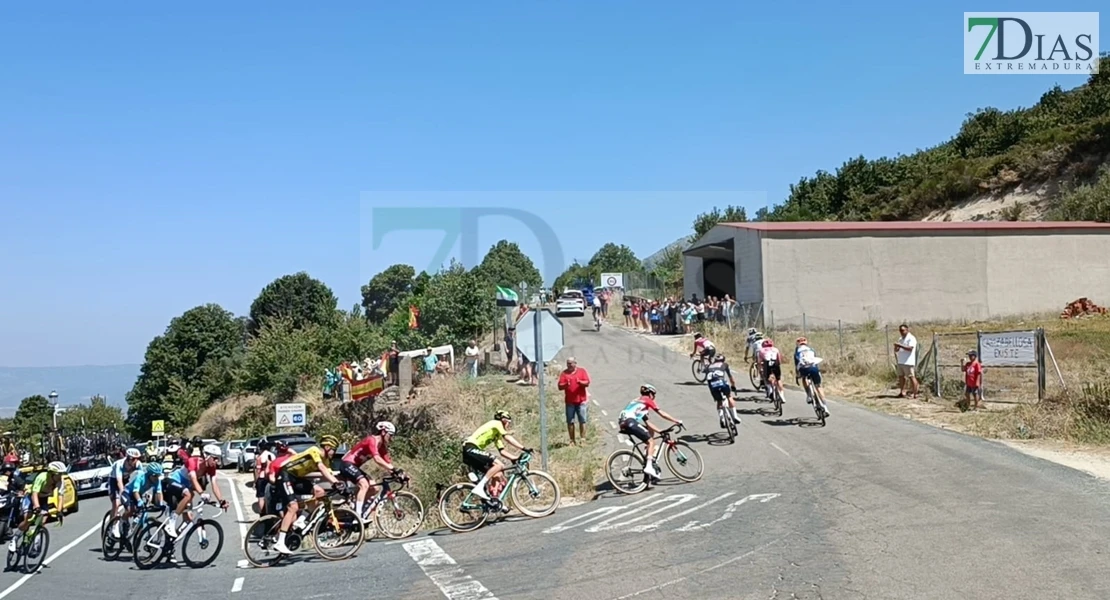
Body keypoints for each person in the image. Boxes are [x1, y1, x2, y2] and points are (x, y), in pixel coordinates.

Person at [271, 435, 343, 555]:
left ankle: (301, 520)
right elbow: (321, 468)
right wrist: (335, 483)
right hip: (285, 475)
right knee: (293, 507)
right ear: (327, 447)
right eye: (333, 450)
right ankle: (280, 542)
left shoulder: (325, 460)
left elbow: (330, 473)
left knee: (320, 492)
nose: (334, 453)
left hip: (296, 478)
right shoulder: (314, 451)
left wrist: (341, 484)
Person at [339, 422, 404, 522]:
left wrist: (399, 474)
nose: (392, 438)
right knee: (364, 484)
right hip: (346, 464)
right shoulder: (372, 440)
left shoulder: (382, 447)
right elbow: (377, 459)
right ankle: (358, 516)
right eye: (390, 435)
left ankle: (357, 508)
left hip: (353, 466)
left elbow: (388, 464)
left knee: (374, 487)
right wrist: (393, 470)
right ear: (383, 432)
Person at [617, 385, 683, 479]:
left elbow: (648, 423)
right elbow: (661, 413)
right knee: (651, 441)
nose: (654, 397)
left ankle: (647, 454)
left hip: (624, 422)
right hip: (630, 421)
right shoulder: (647, 400)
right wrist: (676, 421)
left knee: (650, 433)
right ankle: (649, 467)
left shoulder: (638, 402)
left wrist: (660, 431)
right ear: (650, 394)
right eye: (654, 395)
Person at [462, 411, 530, 501]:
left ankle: (494, 500)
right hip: (470, 447)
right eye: (508, 422)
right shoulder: (496, 423)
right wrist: (524, 448)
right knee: (499, 465)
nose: (508, 425)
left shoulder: (496, 434)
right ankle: (480, 487)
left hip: (473, 451)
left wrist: (515, 458)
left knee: (498, 473)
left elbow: (502, 451)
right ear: (504, 420)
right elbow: (507, 437)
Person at [165, 444, 228, 538]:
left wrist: (221, 501)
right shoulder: (193, 461)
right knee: (189, 494)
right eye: (215, 458)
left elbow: (214, 484)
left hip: (184, 486)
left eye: (218, 459)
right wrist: (202, 493)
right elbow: (193, 479)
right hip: (173, 481)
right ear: (207, 456)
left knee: (188, 520)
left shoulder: (211, 468)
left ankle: (171, 542)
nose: (217, 461)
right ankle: (172, 521)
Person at [11, 461, 66, 552]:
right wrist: (37, 507)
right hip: (31, 496)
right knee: (27, 518)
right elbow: (34, 494)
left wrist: (59, 511)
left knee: (42, 521)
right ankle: (15, 538)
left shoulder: (60, 481)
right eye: (59, 474)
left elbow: (61, 497)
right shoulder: (42, 477)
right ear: (52, 474)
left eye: (62, 474)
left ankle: (36, 544)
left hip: (44, 498)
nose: (61, 476)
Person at [557, 357, 591, 445]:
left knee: (582, 420)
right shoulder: (564, 373)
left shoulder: (582, 371)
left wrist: (580, 382)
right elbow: (560, 386)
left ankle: (583, 439)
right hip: (570, 401)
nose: (570, 365)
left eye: (571, 363)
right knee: (570, 421)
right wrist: (566, 384)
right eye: (568, 363)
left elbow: (587, 382)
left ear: (575, 363)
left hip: (581, 401)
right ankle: (572, 440)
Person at [122, 462, 165, 529]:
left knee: (141, 512)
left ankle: (136, 529)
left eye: (158, 475)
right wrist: (139, 500)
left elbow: (159, 492)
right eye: (155, 475)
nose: (157, 478)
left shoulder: (157, 480)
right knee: (130, 510)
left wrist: (161, 503)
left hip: (138, 494)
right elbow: (135, 491)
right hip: (128, 493)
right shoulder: (140, 476)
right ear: (149, 474)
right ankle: (122, 520)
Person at [794, 337, 829, 416]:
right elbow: (815, 361)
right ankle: (825, 407)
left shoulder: (797, 351)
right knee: (819, 387)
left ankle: (809, 395)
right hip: (814, 368)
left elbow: (797, 364)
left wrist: (797, 375)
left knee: (804, 378)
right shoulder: (811, 350)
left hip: (804, 369)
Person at [706, 354, 742, 427]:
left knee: (719, 401)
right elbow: (730, 378)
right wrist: (733, 386)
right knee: (729, 396)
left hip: (712, 385)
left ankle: (722, 418)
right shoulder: (724, 364)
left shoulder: (709, 366)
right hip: (722, 383)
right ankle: (735, 416)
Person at [109, 447, 143, 523]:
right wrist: (122, 493)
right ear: (128, 459)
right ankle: (113, 526)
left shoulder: (138, 464)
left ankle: (125, 521)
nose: (136, 461)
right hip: (114, 480)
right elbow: (119, 481)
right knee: (116, 504)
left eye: (137, 459)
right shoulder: (119, 464)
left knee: (131, 503)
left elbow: (142, 479)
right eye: (134, 459)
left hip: (125, 480)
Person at [253, 440, 275, 514]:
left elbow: (257, 471)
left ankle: (262, 513)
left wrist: (255, 481)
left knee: (261, 497)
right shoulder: (272, 455)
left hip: (262, 478)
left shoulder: (260, 457)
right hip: (271, 478)